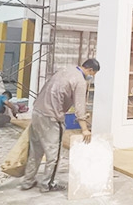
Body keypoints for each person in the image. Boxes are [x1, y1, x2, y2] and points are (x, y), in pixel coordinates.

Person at [20, 58, 100, 192]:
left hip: (37, 112)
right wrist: (85, 129)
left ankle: (27, 181)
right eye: (93, 74)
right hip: (51, 117)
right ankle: (47, 184)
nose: (91, 77)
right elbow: (80, 108)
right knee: (54, 155)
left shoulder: (65, 69)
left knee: (35, 151)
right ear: (90, 70)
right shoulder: (80, 81)